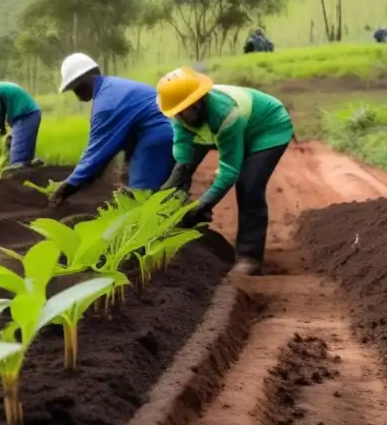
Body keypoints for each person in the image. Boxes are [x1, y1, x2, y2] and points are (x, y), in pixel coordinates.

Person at [156, 66, 294, 276]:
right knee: (178, 174)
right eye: (179, 113)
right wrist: (171, 188)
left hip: (267, 128)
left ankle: (250, 257)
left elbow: (229, 170)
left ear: (199, 100)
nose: (184, 116)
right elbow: (183, 153)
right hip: (218, 129)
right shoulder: (178, 113)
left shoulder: (225, 114)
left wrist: (203, 204)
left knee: (249, 186)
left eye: (187, 109)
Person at [49, 53, 174, 206]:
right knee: (138, 181)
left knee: (143, 196)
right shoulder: (113, 87)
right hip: (161, 132)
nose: (77, 94)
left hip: (156, 138)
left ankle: (160, 222)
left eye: (76, 88)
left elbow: (95, 154)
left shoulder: (106, 105)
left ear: (84, 80)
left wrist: (65, 188)